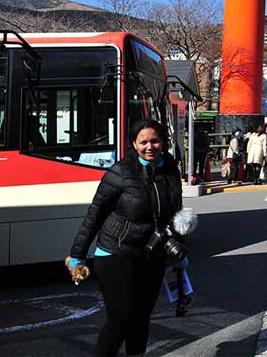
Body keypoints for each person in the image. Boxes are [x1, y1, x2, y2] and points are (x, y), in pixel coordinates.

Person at [66, 119, 185, 356]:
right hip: (117, 252)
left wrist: (180, 251)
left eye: (155, 141)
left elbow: (176, 214)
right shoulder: (121, 172)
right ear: (134, 144)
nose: (149, 146)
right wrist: (77, 255)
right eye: (143, 142)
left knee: (141, 317)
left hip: (153, 253)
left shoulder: (170, 169)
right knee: (121, 319)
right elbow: (95, 214)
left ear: (163, 142)